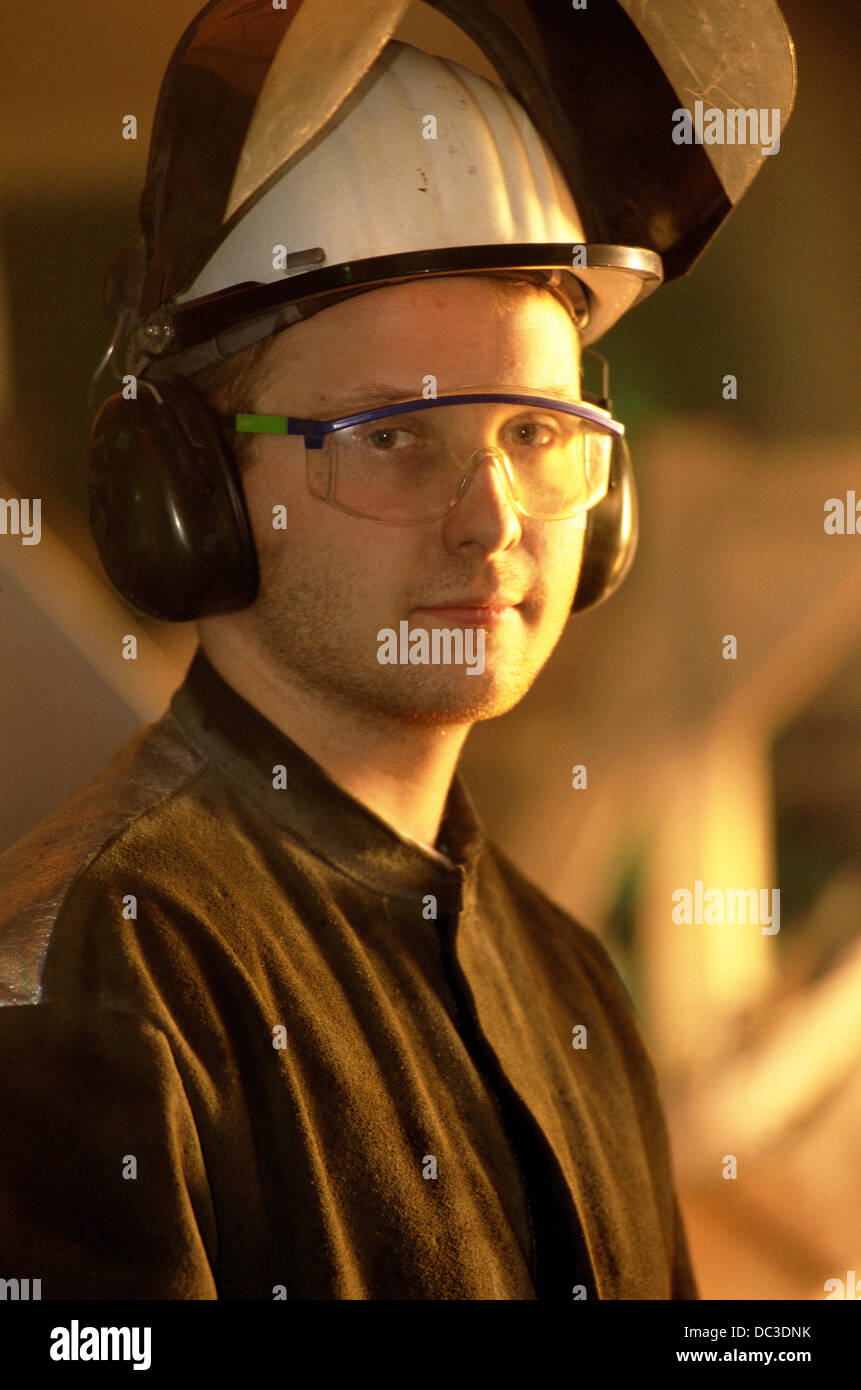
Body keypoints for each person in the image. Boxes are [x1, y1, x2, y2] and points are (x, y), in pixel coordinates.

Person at [0, 1, 794, 1300]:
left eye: (533, 435)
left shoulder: (560, 973)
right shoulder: (92, 978)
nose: (489, 521)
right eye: (388, 437)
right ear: (188, 490)